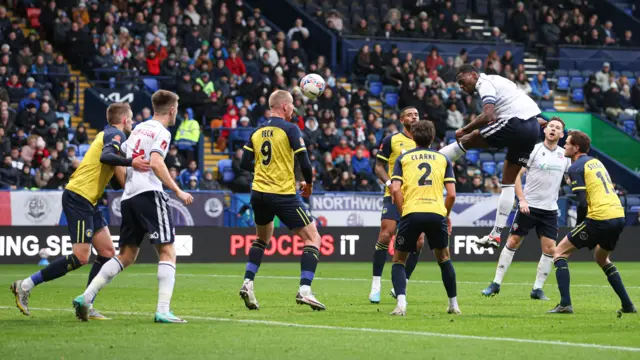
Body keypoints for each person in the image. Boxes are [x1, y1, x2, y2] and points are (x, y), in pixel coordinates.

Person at [10, 103, 150, 319]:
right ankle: (25, 285)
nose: (132, 123)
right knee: (80, 256)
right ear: (124, 120)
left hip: (89, 200)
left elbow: (115, 180)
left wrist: (133, 172)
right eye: (130, 119)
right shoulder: (115, 134)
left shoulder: (113, 140)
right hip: (79, 196)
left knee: (107, 252)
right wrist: (132, 162)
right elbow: (106, 158)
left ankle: (85, 303)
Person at [73, 90, 194, 323]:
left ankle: (86, 297)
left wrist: (126, 183)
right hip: (150, 194)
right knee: (168, 251)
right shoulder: (162, 132)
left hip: (129, 198)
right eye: (176, 108)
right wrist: (177, 191)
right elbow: (157, 163)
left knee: (127, 255)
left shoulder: (138, 128)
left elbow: (119, 157)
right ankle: (163, 310)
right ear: (172, 110)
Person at [238, 90, 324, 311]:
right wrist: (309, 183)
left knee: (262, 239)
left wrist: (265, 168)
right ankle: (305, 290)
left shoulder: (257, 132)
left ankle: (248, 282)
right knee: (313, 238)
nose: (294, 109)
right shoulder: (290, 129)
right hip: (283, 193)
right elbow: (304, 161)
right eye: (293, 105)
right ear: (284, 106)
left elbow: (245, 163)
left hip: (258, 193)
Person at [439, 65, 543, 249]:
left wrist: (464, 129)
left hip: (515, 123)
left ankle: (432, 162)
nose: (462, 86)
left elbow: (488, 115)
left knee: (469, 139)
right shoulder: (499, 80)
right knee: (508, 182)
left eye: (463, 81)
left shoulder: (484, 83)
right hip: (532, 126)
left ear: (473, 75)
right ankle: (495, 235)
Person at [481, 117, 571, 300]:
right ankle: (495, 283)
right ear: (545, 131)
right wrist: (521, 200)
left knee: (550, 248)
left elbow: (571, 179)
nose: (553, 129)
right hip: (528, 206)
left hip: (550, 210)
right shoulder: (534, 150)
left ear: (562, 134)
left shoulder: (565, 157)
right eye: (551, 126)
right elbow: (515, 176)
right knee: (513, 241)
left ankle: (537, 289)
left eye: (558, 128)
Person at [549, 131, 636, 315]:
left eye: (567, 143)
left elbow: (582, 203)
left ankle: (565, 304)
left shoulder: (575, 168)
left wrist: (580, 227)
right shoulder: (596, 162)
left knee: (559, 253)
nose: (564, 145)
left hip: (599, 217)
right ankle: (628, 305)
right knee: (601, 257)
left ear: (576, 147)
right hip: (618, 215)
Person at [388, 120, 458, 316]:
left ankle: (401, 304)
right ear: (433, 137)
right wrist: (446, 215)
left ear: (412, 136)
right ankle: (454, 305)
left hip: (412, 212)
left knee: (399, 261)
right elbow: (452, 194)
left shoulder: (403, 158)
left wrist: (403, 214)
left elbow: (395, 189)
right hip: (437, 212)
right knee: (444, 258)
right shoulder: (443, 159)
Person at [368, 107, 421, 304]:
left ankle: (402, 282)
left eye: (416, 114)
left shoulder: (424, 140)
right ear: (401, 119)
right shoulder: (391, 140)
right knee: (385, 233)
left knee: (419, 242)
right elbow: (379, 166)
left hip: (416, 197)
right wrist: (390, 184)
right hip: (393, 194)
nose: (414, 117)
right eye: (409, 114)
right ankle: (375, 285)